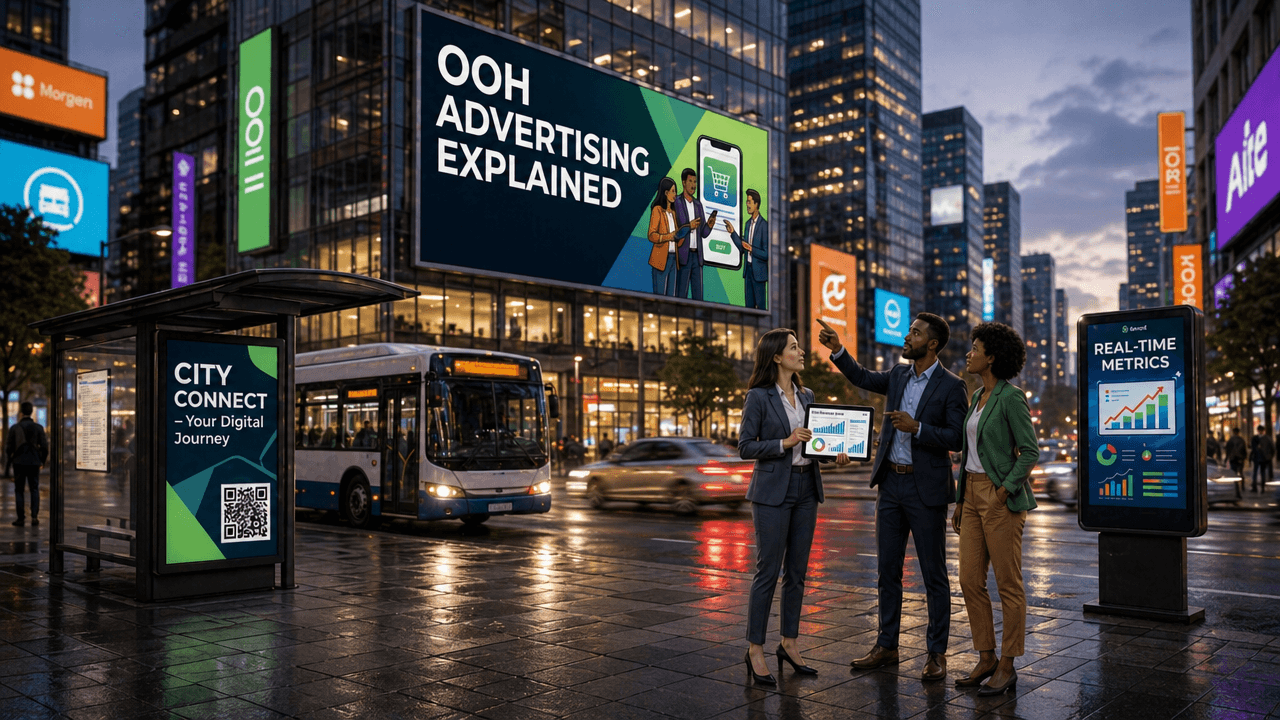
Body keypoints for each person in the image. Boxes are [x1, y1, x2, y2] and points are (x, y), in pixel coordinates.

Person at [817, 313, 967, 681]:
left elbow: (957, 438)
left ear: (932, 344)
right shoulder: (899, 374)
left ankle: (936, 653)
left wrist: (918, 428)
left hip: (925, 489)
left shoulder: (952, 386)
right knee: (887, 572)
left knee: (934, 575)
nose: (907, 335)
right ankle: (887, 646)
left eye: (915, 332)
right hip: (890, 486)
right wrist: (838, 351)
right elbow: (864, 378)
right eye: (909, 330)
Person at [738, 329, 851, 685]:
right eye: (794, 348)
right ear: (776, 356)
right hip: (772, 490)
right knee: (768, 572)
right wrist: (784, 442)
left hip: (806, 488)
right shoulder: (758, 397)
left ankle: (789, 642)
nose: (801, 352)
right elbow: (745, 447)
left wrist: (836, 455)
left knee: (798, 573)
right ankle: (755, 648)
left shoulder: (807, 395)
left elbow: (816, 444)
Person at [952, 323, 1039, 696]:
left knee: (1008, 585)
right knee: (969, 580)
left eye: (975, 349)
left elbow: (1030, 451)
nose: (968, 354)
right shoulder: (977, 396)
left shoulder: (1010, 397)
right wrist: (960, 501)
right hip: (970, 495)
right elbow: (969, 453)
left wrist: (1004, 491)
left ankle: (1007, 664)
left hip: (999, 497)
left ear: (991, 357)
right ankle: (985, 656)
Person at [648, 177, 693, 296]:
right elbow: (651, 235)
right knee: (660, 296)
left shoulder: (673, 213)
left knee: (671, 297)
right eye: (673, 191)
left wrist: (684, 232)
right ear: (666, 193)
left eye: (675, 191)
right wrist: (670, 236)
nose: (675, 194)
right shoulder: (657, 210)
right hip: (661, 259)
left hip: (674, 258)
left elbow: (676, 239)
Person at [725, 189, 769, 310]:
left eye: (749, 202)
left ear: (756, 204)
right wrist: (733, 233)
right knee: (748, 308)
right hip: (748, 271)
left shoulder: (765, 226)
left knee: (760, 309)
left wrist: (751, 249)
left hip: (759, 274)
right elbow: (742, 247)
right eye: (746, 202)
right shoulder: (747, 224)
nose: (747, 205)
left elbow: (767, 254)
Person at [6, 402, 49, 527]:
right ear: (31, 412)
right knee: (34, 488)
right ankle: (34, 517)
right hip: (34, 462)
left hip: (18, 462)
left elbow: (9, 447)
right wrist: (42, 460)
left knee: (19, 490)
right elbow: (45, 447)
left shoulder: (14, 428)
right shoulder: (38, 428)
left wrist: (11, 459)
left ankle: (20, 518)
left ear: (21, 412)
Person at [673, 168, 713, 301]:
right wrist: (689, 226)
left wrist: (709, 225)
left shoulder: (698, 205)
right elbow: (676, 233)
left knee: (698, 297)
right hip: (684, 255)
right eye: (690, 181)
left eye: (695, 182)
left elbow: (703, 233)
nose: (693, 185)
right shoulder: (677, 202)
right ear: (683, 183)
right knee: (681, 295)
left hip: (697, 256)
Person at [1252, 425, 1275, 493]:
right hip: (1263, 458)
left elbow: (1253, 448)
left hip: (1258, 458)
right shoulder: (1267, 438)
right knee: (1262, 473)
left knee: (1256, 472)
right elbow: (1272, 448)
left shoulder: (1255, 438)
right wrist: (1269, 456)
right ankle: (1261, 488)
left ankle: (1256, 487)